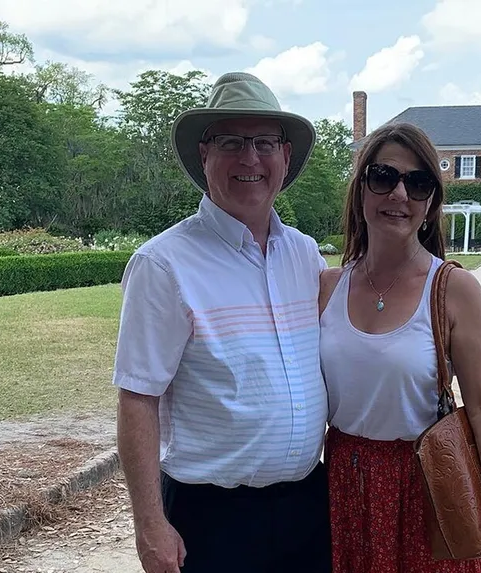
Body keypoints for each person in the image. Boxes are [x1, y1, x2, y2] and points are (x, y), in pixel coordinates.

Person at [112, 72, 331, 573]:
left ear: (285, 157)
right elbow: (136, 399)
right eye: (232, 141)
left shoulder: (304, 255)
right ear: (204, 155)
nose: (250, 158)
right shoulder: (164, 264)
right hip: (210, 517)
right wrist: (149, 525)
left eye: (264, 142)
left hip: (307, 508)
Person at [317, 122, 481, 573]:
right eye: (384, 177)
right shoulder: (326, 288)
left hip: (428, 483)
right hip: (345, 485)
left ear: (431, 203)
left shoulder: (454, 289)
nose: (399, 194)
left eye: (418, 182)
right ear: (361, 189)